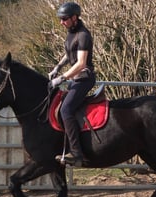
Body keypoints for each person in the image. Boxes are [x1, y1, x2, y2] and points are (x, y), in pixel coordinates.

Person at [48, 2, 96, 167]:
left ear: (75, 17)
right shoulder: (71, 33)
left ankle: (77, 154)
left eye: (64, 19)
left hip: (85, 78)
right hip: (76, 78)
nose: (61, 22)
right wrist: (58, 66)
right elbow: (69, 53)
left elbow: (81, 63)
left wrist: (62, 77)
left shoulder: (83, 35)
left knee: (66, 109)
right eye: (60, 19)